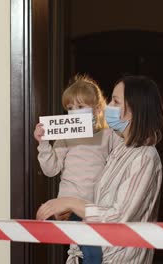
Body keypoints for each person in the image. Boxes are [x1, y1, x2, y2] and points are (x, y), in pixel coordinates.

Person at [37, 75, 163, 264]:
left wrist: (72, 203)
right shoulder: (121, 149)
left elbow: (119, 216)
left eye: (115, 101)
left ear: (133, 111)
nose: (108, 106)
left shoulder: (144, 157)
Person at [34, 75, 119, 264]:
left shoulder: (108, 136)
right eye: (70, 108)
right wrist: (44, 143)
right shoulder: (65, 137)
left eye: (80, 107)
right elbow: (50, 169)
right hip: (69, 206)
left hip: (97, 206)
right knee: (90, 251)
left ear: (96, 110)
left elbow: (121, 162)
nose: (74, 112)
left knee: (97, 249)